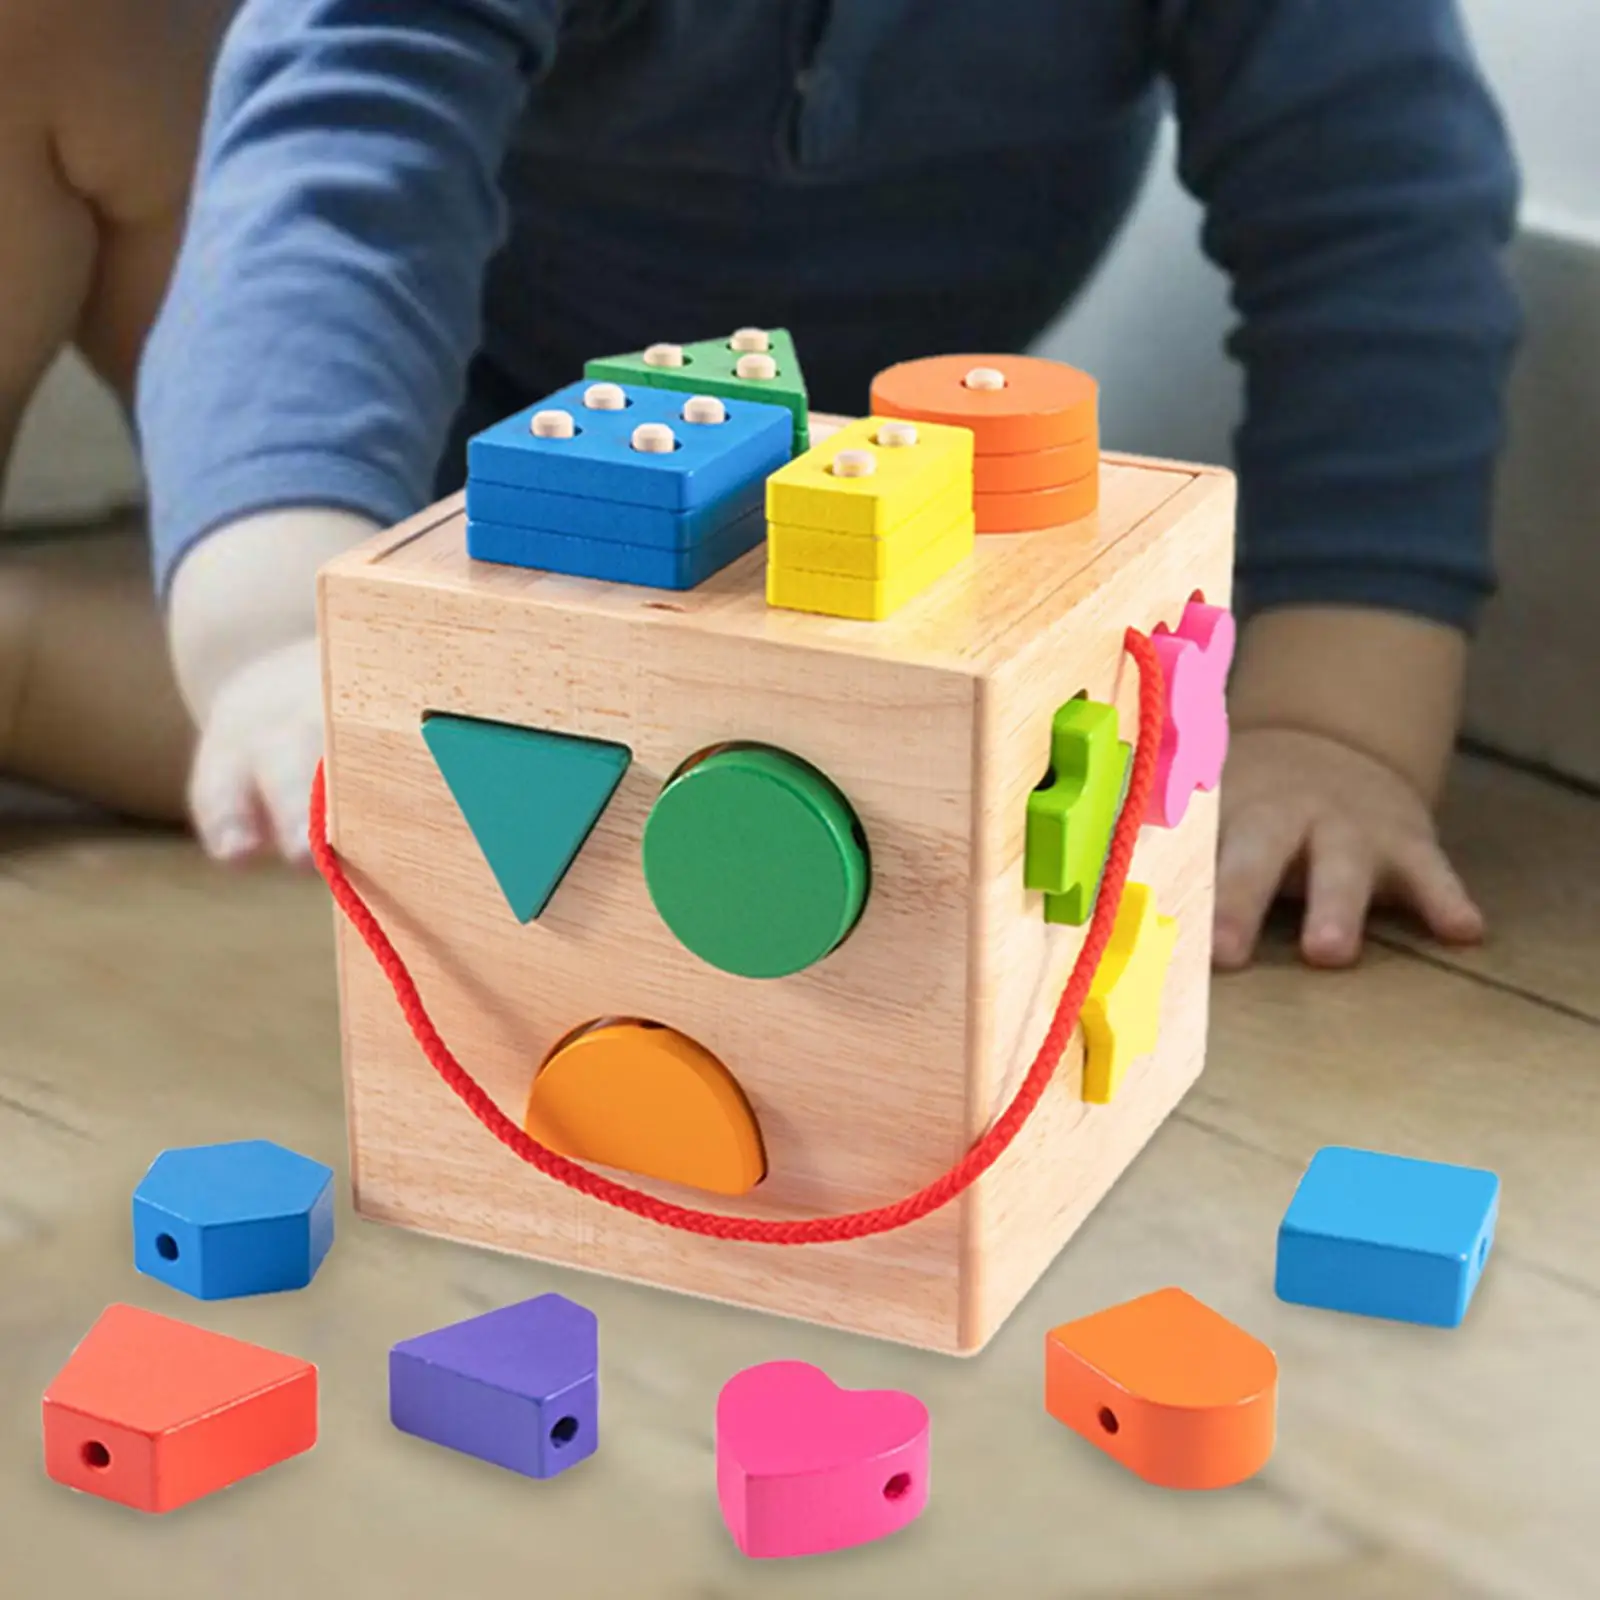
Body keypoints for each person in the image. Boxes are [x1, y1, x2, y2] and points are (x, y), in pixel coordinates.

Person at [0, 0, 1521, 971]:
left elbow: (1376, 223)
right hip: (393, 434)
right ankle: (285, 650)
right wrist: (279, 630)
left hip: (834, 508)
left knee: (630, 759)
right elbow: (341, 170)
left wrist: (1333, 723)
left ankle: (30, 661)